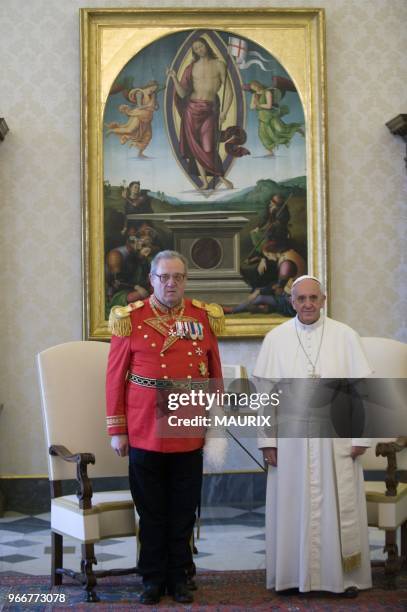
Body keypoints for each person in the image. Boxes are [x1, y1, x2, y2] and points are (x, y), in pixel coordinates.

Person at [106, 250, 224, 605]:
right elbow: (115, 379)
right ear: (151, 279)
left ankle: (180, 576)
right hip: (144, 427)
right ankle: (152, 578)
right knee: (152, 511)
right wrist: (117, 429)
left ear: (185, 280)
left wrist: (216, 423)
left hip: (188, 426)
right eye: (164, 277)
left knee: (184, 509)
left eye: (178, 277)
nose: (171, 283)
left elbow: (213, 371)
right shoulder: (131, 319)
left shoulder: (202, 317)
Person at [255, 275, 372, 597]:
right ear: (291, 302)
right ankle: (293, 577)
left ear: (324, 299)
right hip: (290, 440)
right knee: (292, 504)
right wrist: (268, 441)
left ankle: (343, 578)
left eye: (313, 298)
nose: (307, 304)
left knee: (337, 504)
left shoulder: (345, 336)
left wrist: (362, 437)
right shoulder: (275, 339)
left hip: (336, 437)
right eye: (301, 299)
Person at [167, 37, 234, 190]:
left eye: (200, 46)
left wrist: (224, 112)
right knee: (194, 147)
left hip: (209, 110)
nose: (199, 50)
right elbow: (183, 94)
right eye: (195, 48)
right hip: (191, 109)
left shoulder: (219, 65)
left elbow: (229, 92)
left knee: (208, 146)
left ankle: (221, 178)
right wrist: (174, 78)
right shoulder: (191, 68)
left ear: (207, 46)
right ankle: (204, 181)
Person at [248, 80, 304, 156]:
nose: (255, 88)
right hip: (262, 117)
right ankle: (270, 152)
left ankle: (297, 129)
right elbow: (252, 107)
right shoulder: (254, 95)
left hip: (271, 116)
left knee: (281, 129)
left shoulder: (267, 92)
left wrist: (258, 105)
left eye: (255, 86)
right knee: (262, 135)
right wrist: (255, 102)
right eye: (253, 88)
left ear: (258, 84)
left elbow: (269, 106)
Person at [105, 80, 159, 157]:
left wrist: (155, 106)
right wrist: (148, 106)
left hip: (148, 118)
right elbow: (140, 107)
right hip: (139, 115)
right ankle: (112, 130)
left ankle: (140, 153)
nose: (153, 90)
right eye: (153, 88)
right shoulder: (140, 93)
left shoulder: (152, 95)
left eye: (155, 89)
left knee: (148, 136)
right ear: (149, 86)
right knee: (130, 129)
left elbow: (156, 107)